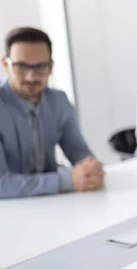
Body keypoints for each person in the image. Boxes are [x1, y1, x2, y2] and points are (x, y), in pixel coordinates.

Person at [0, 27, 104, 199]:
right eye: (22, 67)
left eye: (41, 67)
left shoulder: (58, 101)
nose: (31, 77)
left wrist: (90, 171)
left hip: (52, 204)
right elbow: (2, 185)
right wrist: (67, 180)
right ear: (6, 64)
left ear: (51, 66)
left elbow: (80, 154)